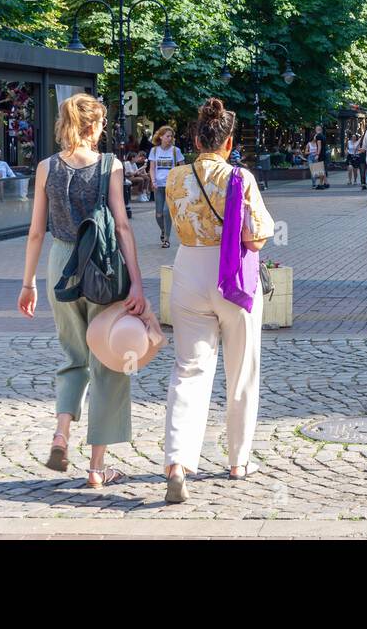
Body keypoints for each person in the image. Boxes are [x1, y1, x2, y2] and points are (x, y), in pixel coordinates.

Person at [17, 94, 152, 486]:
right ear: (94, 126)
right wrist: (138, 285)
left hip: (60, 265)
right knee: (108, 360)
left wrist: (27, 283)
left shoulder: (45, 168)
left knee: (72, 355)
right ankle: (96, 468)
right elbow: (123, 226)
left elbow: (35, 231)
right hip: (102, 268)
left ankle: (61, 434)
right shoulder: (110, 166)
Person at [163, 98, 275, 502]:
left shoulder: (176, 177)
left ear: (195, 139)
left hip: (188, 269)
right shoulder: (239, 178)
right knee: (241, 369)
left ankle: (177, 460)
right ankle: (238, 460)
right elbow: (257, 236)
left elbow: (175, 222)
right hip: (233, 275)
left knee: (189, 370)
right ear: (228, 142)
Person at [148, 126, 182, 248]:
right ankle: (163, 230)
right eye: (167, 136)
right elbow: (152, 168)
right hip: (158, 186)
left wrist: (177, 182)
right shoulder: (154, 151)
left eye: (171, 136)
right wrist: (153, 181)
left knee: (166, 212)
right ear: (161, 136)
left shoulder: (175, 151)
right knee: (158, 214)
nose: (170, 138)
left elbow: (181, 168)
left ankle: (166, 238)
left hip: (170, 186)